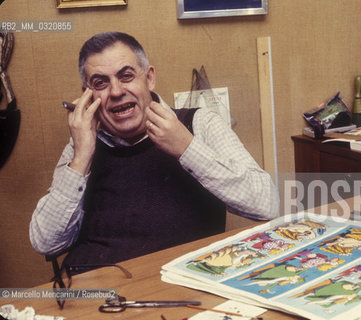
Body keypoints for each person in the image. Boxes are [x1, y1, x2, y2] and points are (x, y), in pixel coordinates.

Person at [29, 32, 279, 266]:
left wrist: (187, 148)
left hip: (181, 281)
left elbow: (266, 204)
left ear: (149, 78)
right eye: (101, 83)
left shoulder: (199, 124)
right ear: (87, 94)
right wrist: (82, 156)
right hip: (98, 286)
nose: (116, 91)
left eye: (126, 76)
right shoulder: (83, 142)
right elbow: (46, 243)